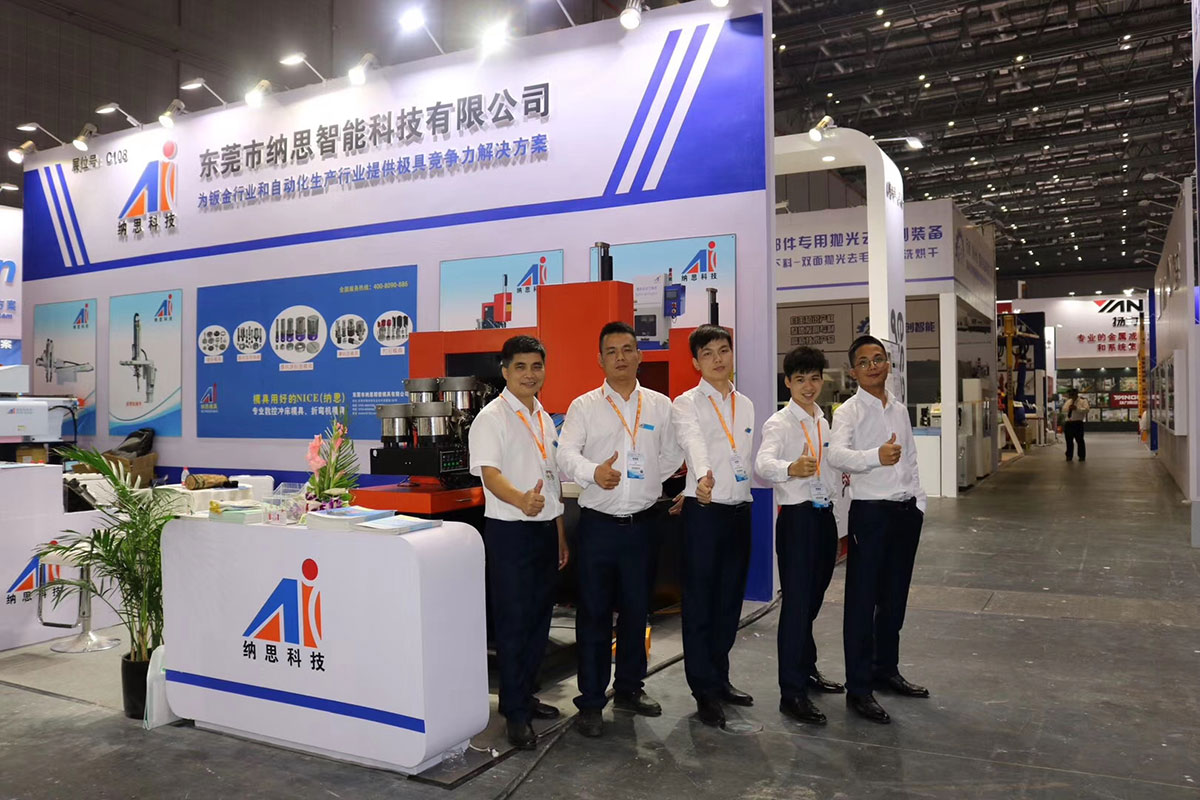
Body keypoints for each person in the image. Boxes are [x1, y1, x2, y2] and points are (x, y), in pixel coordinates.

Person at [558, 321, 684, 738]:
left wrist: (646, 481)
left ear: (639, 355)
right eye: (611, 351)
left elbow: (673, 454)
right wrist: (593, 472)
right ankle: (591, 701)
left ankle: (630, 688)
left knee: (636, 611)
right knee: (594, 615)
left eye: (628, 349)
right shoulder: (584, 407)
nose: (620, 357)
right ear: (600, 359)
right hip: (598, 527)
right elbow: (565, 454)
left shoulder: (660, 406)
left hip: (644, 526)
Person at [468, 335, 569, 750]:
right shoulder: (491, 418)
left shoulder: (544, 416)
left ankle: (526, 694)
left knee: (539, 621)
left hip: (544, 530)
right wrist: (521, 500)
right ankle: (514, 712)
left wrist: (559, 533)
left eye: (537, 366)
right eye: (521, 367)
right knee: (513, 623)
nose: (530, 374)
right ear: (505, 371)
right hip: (510, 532)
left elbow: (551, 481)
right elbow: (489, 475)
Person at [827, 334, 928, 725]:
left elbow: (911, 459)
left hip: (905, 512)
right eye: (864, 362)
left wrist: (919, 503)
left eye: (879, 359)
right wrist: (875, 457)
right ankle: (859, 687)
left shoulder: (899, 409)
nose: (873, 366)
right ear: (853, 372)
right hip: (870, 514)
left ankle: (886, 669)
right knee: (862, 601)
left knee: (894, 599)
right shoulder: (848, 412)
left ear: (888, 363)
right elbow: (836, 455)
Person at [754, 346, 843, 726]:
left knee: (813, 601)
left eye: (815, 378)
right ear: (788, 382)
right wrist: (791, 467)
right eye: (801, 379)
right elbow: (762, 464)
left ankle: (806, 669)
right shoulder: (780, 423)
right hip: (797, 519)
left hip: (824, 517)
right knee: (796, 607)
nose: (809, 386)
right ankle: (791, 693)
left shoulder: (823, 420)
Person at [672, 324, 755, 728]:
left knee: (729, 602)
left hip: (740, 512)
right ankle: (703, 690)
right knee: (700, 605)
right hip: (704, 513)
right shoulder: (686, 403)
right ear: (695, 362)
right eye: (708, 353)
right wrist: (703, 476)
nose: (718, 359)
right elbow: (693, 442)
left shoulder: (747, 405)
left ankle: (720, 678)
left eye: (723, 350)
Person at [1063, 388, 1089, 462]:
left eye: (1072, 395)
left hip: (1078, 423)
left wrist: (1077, 408)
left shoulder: (1083, 401)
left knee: (1080, 440)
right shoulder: (1068, 401)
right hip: (1069, 423)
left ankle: (1081, 456)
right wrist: (1069, 408)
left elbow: (1087, 409)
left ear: (1076, 394)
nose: (1071, 397)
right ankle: (1069, 456)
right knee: (1069, 441)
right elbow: (1064, 409)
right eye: (1070, 395)